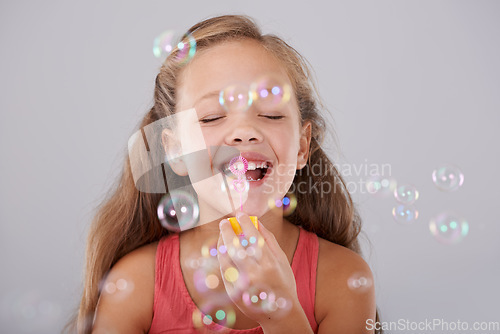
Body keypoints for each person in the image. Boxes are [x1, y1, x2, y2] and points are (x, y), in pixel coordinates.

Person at [70, 15, 379, 334]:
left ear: (302, 147)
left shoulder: (342, 278)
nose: (245, 132)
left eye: (271, 113)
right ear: (175, 151)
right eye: (212, 117)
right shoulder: (136, 283)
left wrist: (280, 313)